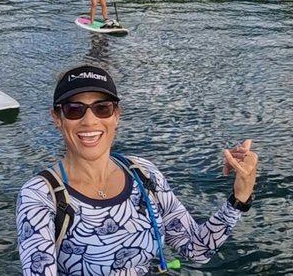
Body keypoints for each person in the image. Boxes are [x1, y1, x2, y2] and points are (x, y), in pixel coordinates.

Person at [16, 65, 258, 275]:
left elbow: (196, 250)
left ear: (116, 116)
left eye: (102, 108)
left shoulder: (143, 173)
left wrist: (239, 198)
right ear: (57, 118)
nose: (89, 121)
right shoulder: (40, 195)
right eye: (74, 109)